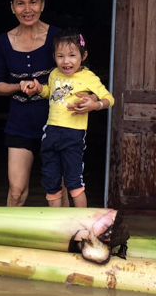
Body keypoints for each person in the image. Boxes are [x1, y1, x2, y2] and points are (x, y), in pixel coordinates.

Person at [0, 0, 68, 207]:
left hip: (55, 122)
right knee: (16, 191)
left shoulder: (57, 37)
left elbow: (75, 76)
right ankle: (7, 239)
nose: (27, 9)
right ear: (12, 7)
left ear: (42, 4)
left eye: (33, 2)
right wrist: (19, 86)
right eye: (21, 4)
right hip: (20, 123)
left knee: (59, 190)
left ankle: (64, 240)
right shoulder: (3, 42)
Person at [22, 29, 114, 208]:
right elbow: (51, 94)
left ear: (83, 55)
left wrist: (95, 105)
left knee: (73, 181)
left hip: (73, 135)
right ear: (54, 57)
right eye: (60, 56)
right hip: (51, 133)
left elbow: (109, 99)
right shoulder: (54, 74)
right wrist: (38, 89)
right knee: (51, 180)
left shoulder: (88, 77)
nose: (66, 61)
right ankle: (56, 222)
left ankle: (82, 222)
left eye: (72, 55)